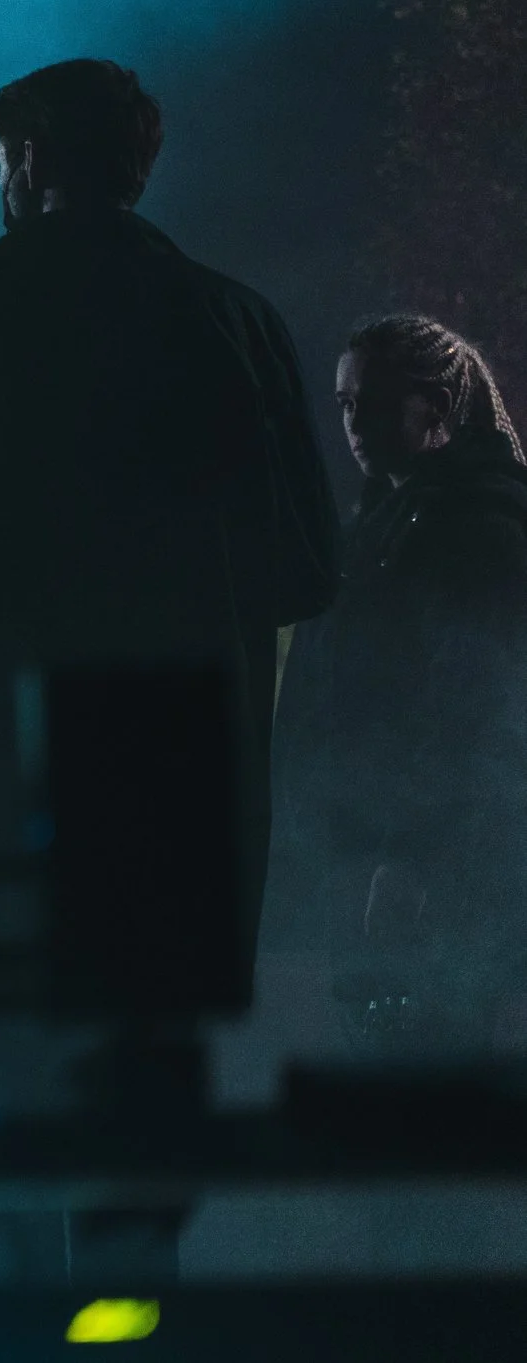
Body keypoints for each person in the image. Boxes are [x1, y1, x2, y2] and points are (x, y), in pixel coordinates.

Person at [0, 59, 338, 1280]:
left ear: (25, 164)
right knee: (136, 1131)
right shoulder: (235, 321)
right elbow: (305, 573)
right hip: (172, 777)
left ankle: (2, 1336)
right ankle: (122, 1333)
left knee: (0, 1122)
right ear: (137, 166)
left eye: (3, 159)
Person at [274, 316, 527, 1055]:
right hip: (375, 847)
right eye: (347, 403)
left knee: (432, 1073)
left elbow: (473, 710)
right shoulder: (391, 521)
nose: (355, 422)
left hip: (433, 861)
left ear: (438, 408)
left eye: (376, 401)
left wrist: (411, 853)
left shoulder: (478, 527)